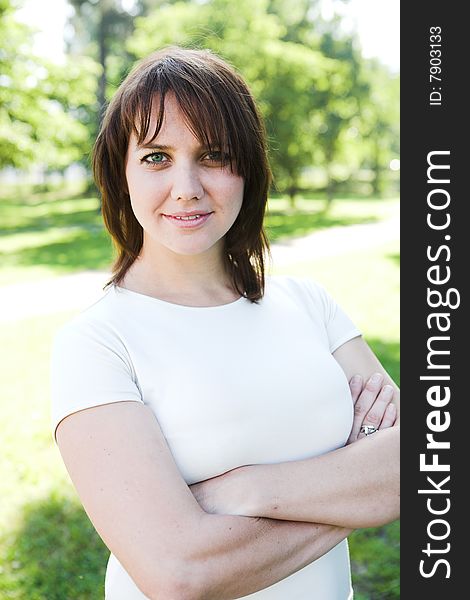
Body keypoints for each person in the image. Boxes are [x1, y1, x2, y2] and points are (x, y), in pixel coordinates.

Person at [50, 46, 399, 600]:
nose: (187, 186)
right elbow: (178, 574)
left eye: (213, 154)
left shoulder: (311, 305)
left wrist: (244, 489)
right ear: (121, 172)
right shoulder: (96, 344)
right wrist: (360, 490)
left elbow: (420, 462)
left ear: (248, 168)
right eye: (157, 157)